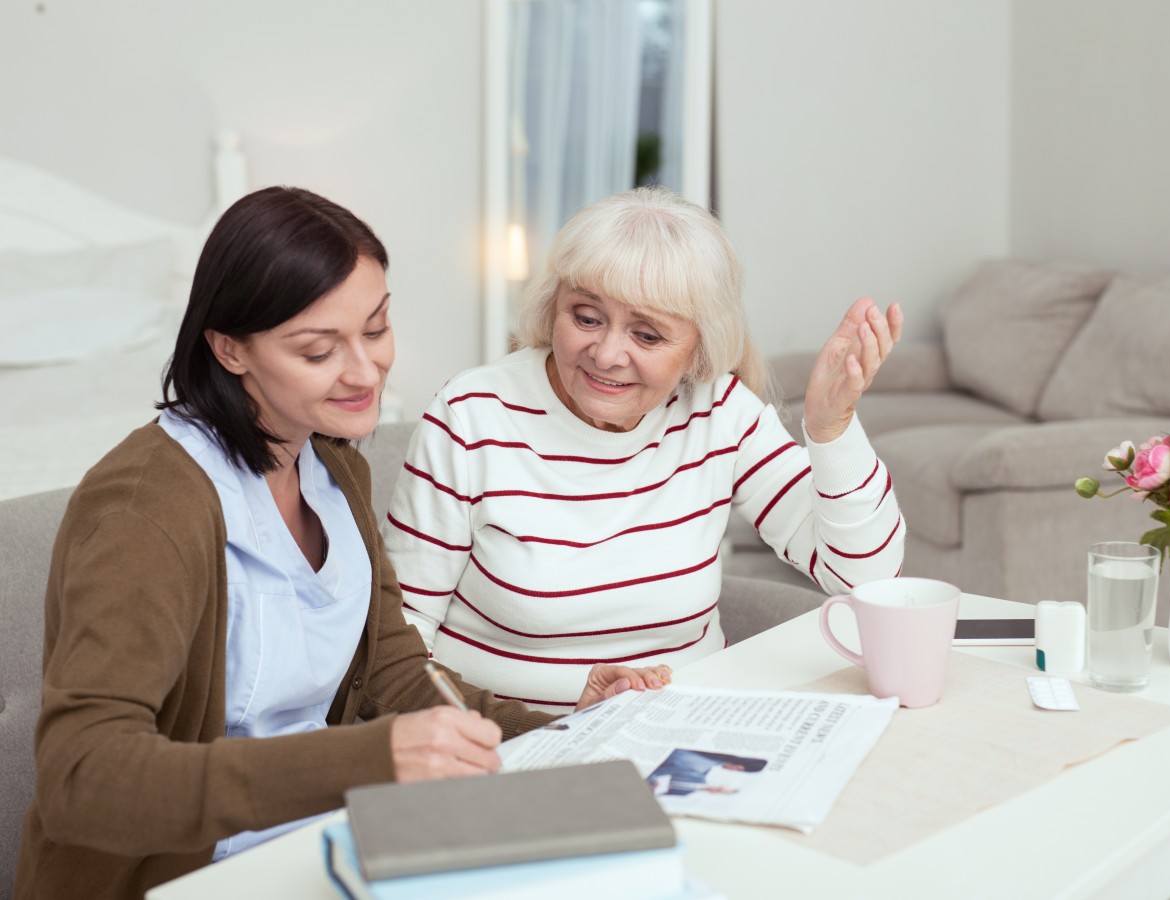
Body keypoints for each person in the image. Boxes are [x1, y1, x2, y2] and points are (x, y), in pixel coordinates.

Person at [13, 186, 667, 900]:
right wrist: (363, 758)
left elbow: (398, 673)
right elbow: (83, 777)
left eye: (376, 328)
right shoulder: (148, 509)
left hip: (327, 845)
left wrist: (562, 730)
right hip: (187, 875)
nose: (364, 372)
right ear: (230, 348)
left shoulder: (331, 465)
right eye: (319, 349)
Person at [384, 186, 906, 712]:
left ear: (699, 349)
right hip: (513, 742)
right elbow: (401, 635)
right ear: (553, 307)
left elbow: (865, 576)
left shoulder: (717, 410)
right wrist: (494, 734)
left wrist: (831, 427)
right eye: (586, 317)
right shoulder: (471, 413)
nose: (608, 354)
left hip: (688, 730)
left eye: (648, 336)